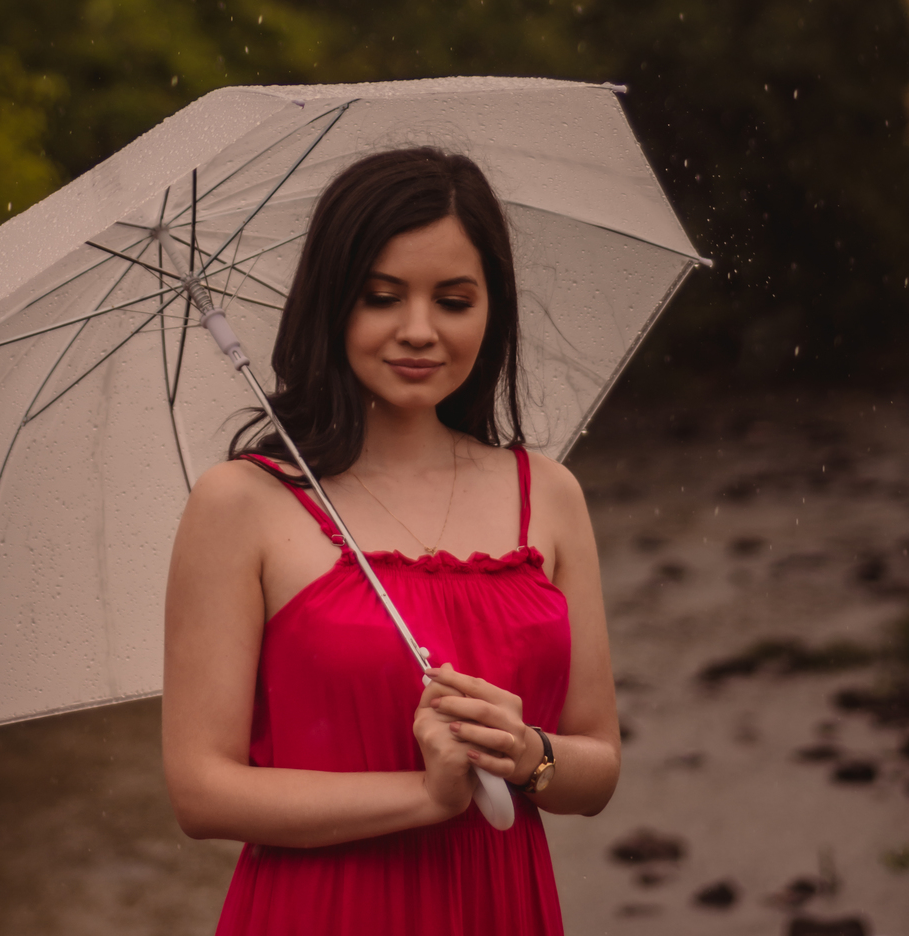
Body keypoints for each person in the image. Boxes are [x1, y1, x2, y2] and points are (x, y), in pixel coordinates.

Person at [163, 147, 620, 935]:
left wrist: (528, 754)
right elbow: (202, 792)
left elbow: (600, 766)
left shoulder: (547, 495)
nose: (418, 331)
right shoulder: (243, 503)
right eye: (381, 298)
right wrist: (425, 796)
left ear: (493, 309)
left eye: (453, 300)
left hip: (499, 907)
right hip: (325, 910)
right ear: (332, 303)